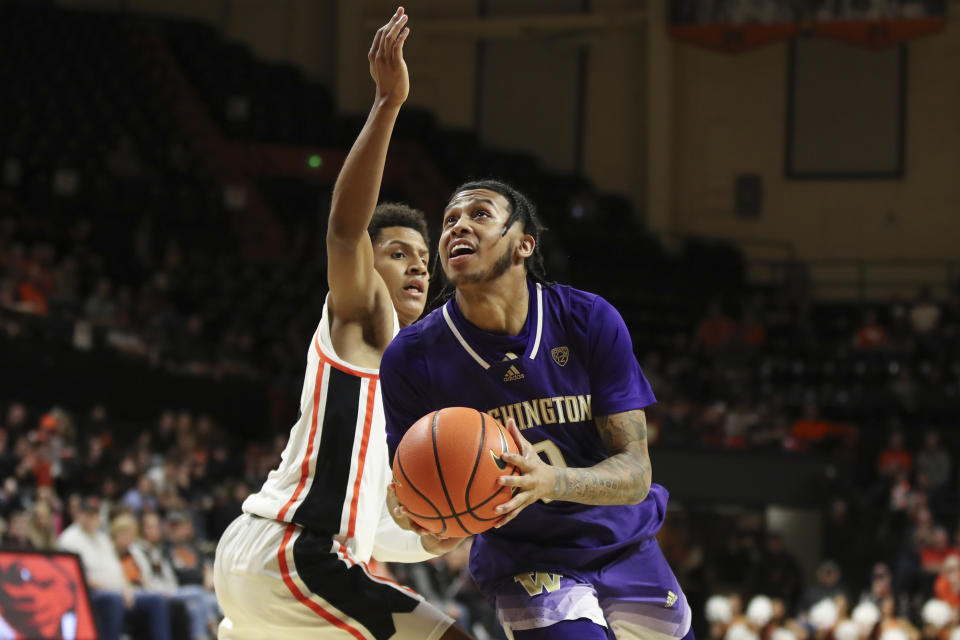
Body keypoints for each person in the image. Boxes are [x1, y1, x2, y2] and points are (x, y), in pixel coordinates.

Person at [213, 8, 472, 640]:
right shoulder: (366, 317)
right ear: (368, 266)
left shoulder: (408, 377)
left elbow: (383, 527)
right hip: (294, 554)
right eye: (396, 253)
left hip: (281, 563)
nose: (415, 266)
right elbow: (343, 229)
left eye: (421, 258)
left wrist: (440, 530)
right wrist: (387, 103)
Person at [380, 179, 694, 638]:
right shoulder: (412, 357)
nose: (457, 227)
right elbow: (435, 530)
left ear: (525, 243)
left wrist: (552, 481)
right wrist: (420, 515)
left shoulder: (588, 319)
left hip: (624, 544)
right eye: (449, 221)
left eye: (480, 215)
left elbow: (636, 473)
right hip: (526, 560)